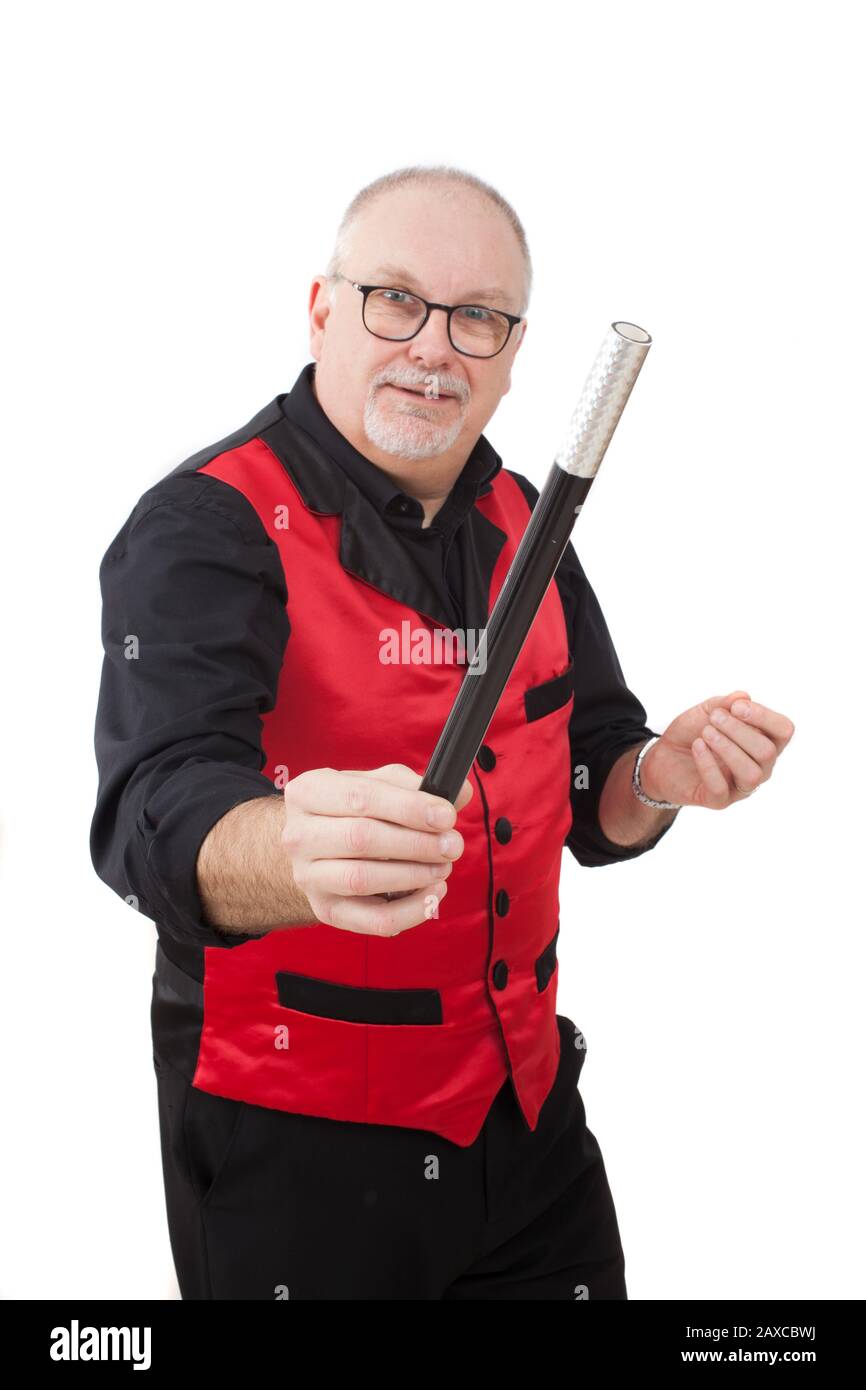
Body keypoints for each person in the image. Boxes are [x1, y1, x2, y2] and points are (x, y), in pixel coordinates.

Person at [90, 163, 795, 1300]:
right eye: (393, 299)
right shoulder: (207, 526)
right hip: (294, 1148)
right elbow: (154, 813)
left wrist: (659, 773)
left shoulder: (528, 520)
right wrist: (289, 849)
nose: (433, 347)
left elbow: (590, 781)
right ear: (321, 308)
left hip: (524, 1124)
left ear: (513, 356)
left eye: (477, 318)